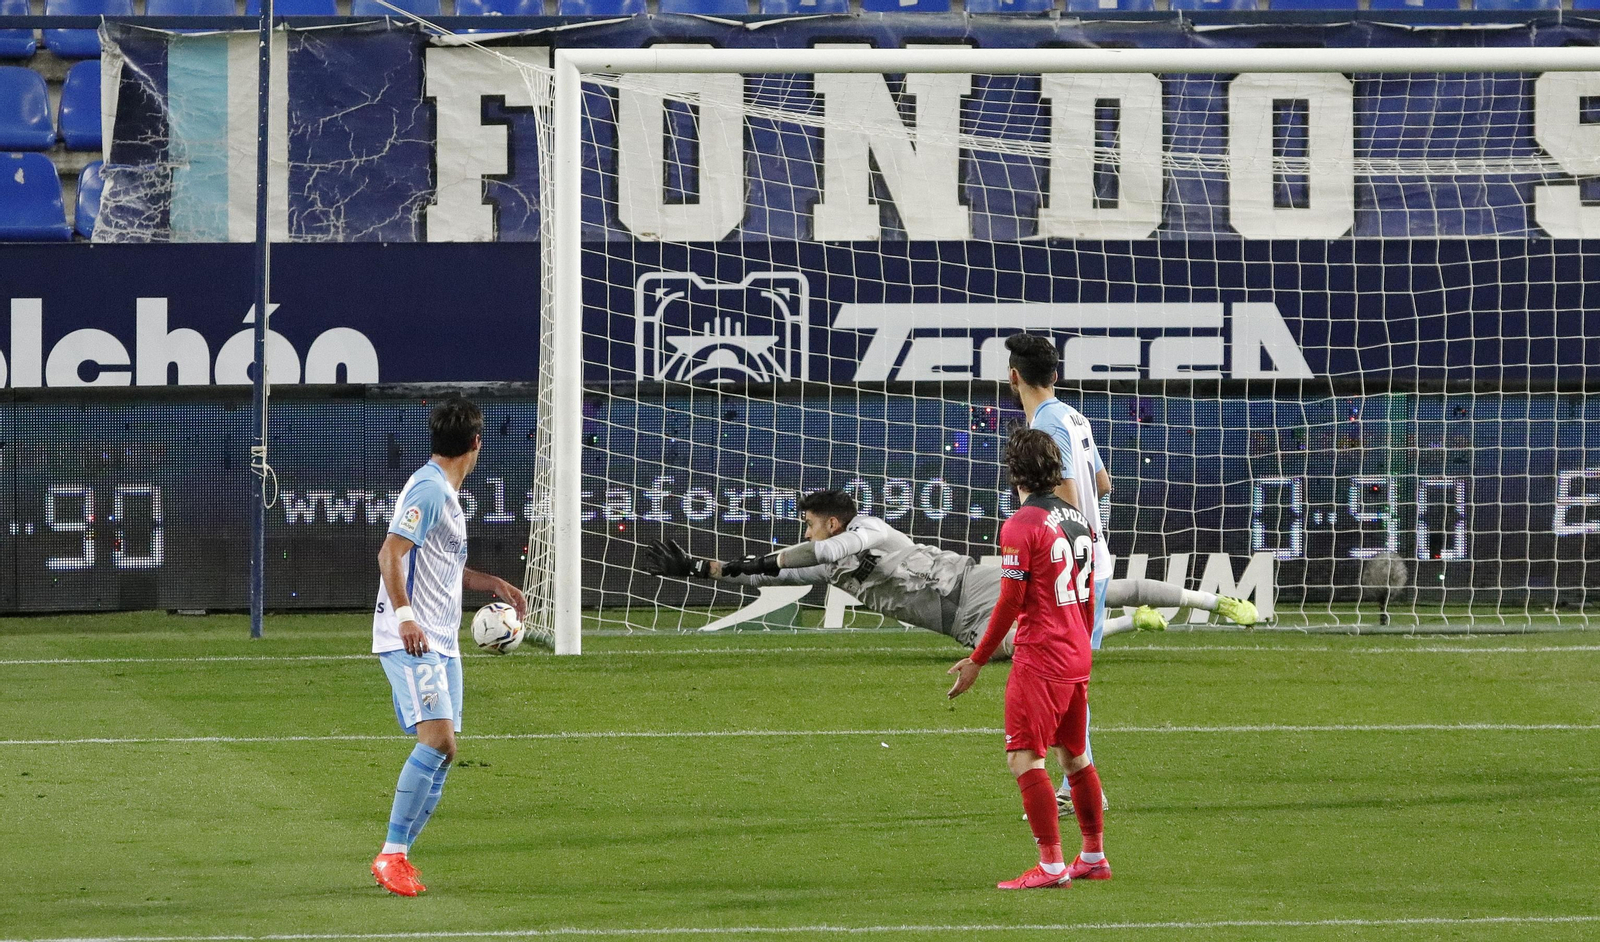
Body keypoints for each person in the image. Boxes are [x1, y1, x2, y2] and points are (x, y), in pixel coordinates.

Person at [1004, 332, 1257, 812]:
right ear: (1054, 375)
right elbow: (1104, 484)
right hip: (1093, 561)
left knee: (1058, 676)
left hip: (1067, 566)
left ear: (1014, 377)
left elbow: (1070, 496)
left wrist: (1049, 539)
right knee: (1072, 678)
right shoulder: (1074, 416)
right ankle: (1076, 784)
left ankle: (1075, 786)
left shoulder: (1048, 424)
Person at [642, 492, 1251, 657]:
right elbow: (767, 577)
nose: (806, 533)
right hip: (955, 623)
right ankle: (1129, 623)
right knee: (1037, 648)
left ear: (829, 521)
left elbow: (829, 551)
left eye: (809, 523)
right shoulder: (828, 565)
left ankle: (1213, 602)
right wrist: (699, 568)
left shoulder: (870, 529)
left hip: (972, 583)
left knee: (1091, 592)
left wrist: (753, 561)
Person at [369, 397, 526, 898]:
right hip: (411, 637)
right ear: (477, 442)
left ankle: (400, 856)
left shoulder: (445, 494)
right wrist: (405, 617)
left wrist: (491, 583)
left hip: (441, 641)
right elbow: (390, 553)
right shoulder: (430, 489)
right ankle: (391, 854)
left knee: (446, 751)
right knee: (436, 741)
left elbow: (441, 567)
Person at [946, 428, 1108, 890]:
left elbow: (1010, 601)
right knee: (1074, 756)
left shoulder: (1021, 525)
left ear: (1013, 472)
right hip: (1075, 652)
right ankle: (1093, 856)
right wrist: (1082, 645)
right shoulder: (1077, 519)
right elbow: (1088, 595)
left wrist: (978, 659)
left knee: (1024, 758)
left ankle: (1051, 865)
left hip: (1042, 658)